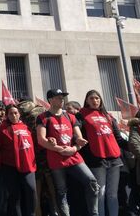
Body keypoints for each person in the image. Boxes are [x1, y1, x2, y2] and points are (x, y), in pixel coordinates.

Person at [36, 88, 99, 216]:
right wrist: (58, 148)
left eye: (62, 97)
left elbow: (79, 138)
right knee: (61, 191)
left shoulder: (71, 117)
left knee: (92, 182)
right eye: (58, 97)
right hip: (56, 159)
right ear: (50, 100)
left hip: (73, 156)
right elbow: (41, 140)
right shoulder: (43, 117)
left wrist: (75, 148)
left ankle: (94, 214)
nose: (62, 99)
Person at [77, 90, 126, 216]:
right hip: (97, 159)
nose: (95, 101)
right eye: (92, 98)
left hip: (114, 158)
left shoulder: (108, 116)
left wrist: (137, 148)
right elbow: (78, 135)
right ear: (87, 100)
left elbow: (118, 138)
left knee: (112, 194)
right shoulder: (81, 115)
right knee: (100, 193)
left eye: (97, 98)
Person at [0, 104, 37, 216]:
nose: (14, 115)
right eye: (11, 113)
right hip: (9, 166)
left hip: (27, 165)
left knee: (31, 190)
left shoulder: (26, 127)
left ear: (19, 114)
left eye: (16, 113)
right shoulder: (1, 129)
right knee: (15, 195)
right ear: (7, 115)